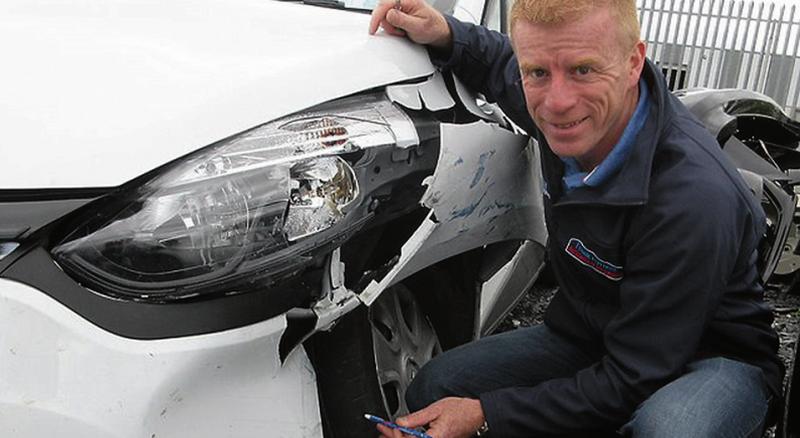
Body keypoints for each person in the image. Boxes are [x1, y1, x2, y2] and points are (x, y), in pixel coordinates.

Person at [368, 0, 783, 437]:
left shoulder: (692, 198)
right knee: (438, 386)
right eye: (538, 73)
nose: (557, 103)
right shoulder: (565, 101)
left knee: (669, 431)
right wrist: (445, 32)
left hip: (712, 357)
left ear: (633, 62)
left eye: (584, 70)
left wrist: (488, 414)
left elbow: (633, 376)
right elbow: (498, 60)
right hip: (596, 335)